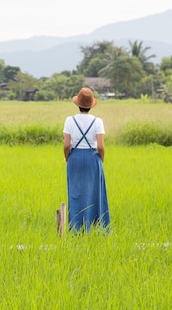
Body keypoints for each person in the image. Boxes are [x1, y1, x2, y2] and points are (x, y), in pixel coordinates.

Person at [63, 87, 110, 233]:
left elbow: (66, 145)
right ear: (91, 105)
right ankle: (97, 227)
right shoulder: (98, 122)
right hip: (93, 158)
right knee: (95, 192)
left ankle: (76, 228)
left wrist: (67, 158)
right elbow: (101, 146)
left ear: (77, 104)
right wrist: (100, 160)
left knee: (75, 193)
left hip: (74, 158)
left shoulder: (69, 120)